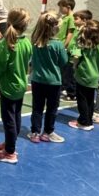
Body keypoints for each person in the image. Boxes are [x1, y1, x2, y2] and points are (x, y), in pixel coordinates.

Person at [0, 8, 32, 165]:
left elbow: (0, 66)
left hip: (8, 87)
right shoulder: (27, 42)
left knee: (8, 120)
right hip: (21, 85)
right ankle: (9, 143)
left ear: (8, 22)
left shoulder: (5, 43)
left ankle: (10, 152)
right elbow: (29, 63)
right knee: (16, 116)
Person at [27, 11, 68, 144]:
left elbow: (32, 61)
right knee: (52, 108)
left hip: (37, 80)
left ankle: (35, 132)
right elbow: (64, 62)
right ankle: (48, 132)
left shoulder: (35, 42)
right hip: (54, 82)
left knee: (37, 108)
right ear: (56, 28)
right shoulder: (58, 45)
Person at [69, 19, 99, 131]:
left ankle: (83, 122)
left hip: (83, 75)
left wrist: (75, 66)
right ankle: (89, 120)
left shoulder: (82, 45)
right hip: (95, 76)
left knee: (82, 99)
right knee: (90, 99)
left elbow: (76, 56)